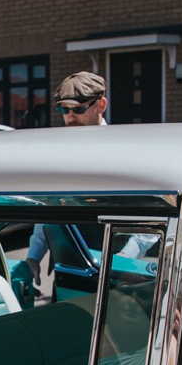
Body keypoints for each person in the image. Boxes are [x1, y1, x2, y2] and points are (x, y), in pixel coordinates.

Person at [28, 72, 111, 286]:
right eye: (65, 110)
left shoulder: (120, 150)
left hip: (114, 273)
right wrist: (34, 256)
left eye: (79, 109)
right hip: (66, 273)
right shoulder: (57, 153)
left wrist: (127, 259)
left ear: (101, 105)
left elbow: (150, 211)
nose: (71, 116)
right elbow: (47, 206)